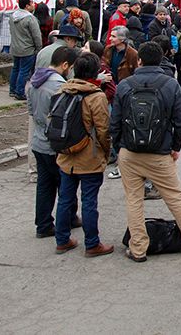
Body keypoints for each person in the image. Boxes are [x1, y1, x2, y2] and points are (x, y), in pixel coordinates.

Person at [111, 41, 181, 261]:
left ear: (139, 60)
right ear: (161, 60)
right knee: (175, 197)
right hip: (160, 152)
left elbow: (115, 122)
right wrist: (175, 148)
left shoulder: (125, 85)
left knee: (133, 199)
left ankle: (138, 248)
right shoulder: (170, 85)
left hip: (129, 152)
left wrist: (119, 147)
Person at [54, 52, 113, 257]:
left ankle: (62, 240)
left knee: (65, 199)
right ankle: (92, 243)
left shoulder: (63, 89)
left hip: (65, 155)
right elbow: (103, 130)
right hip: (89, 156)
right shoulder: (96, 97)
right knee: (89, 200)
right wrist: (106, 152)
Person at [27, 46, 80, 238]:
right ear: (65, 65)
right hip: (55, 144)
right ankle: (68, 220)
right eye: (71, 67)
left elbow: (31, 112)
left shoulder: (34, 81)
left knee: (44, 185)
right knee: (65, 186)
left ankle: (43, 224)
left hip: (39, 141)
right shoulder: (59, 85)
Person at [9, 0, 43, 100]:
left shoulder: (13, 16)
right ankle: (19, 92)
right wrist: (38, 48)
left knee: (15, 69)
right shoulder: (30, 18)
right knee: (23, 71)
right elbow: (36, 35)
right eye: (32, 3)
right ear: (27, 6)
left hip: (15, 47)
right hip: (27, 49)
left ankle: (12, 89)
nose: (34, 4)